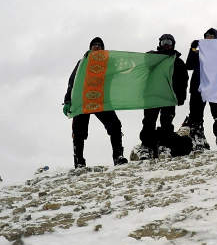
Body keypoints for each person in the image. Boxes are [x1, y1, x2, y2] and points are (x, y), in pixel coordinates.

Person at [63, 37, 128, 168]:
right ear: (90, 48)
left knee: (115, 125)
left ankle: (118, 156)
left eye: (99, 45)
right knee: (78, 131)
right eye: (94, 45)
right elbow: (73, 81)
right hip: (83, 100)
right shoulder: (82, 62)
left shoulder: (108, 63)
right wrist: (67, 101)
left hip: (101, 100)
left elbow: (118, 76)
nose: (96, 47)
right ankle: (79, 161)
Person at [136, 34, 189, 159]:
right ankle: (146, 146)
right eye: (163, 42)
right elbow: (144, 65)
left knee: (167, 121)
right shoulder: (153, 58)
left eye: (169, 42)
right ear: (159, 44)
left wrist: (181, 97)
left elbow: (183, 80)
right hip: (153, 95)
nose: (166, 44)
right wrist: (152, 56)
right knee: (149, 121)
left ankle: (165, 145)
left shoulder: (177, 61)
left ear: (173, 44)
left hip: (168, 96)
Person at [182, 28, 217, 151]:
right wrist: (192, 49)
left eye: (212, 36)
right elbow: (189, 65)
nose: (209, 38)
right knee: (196, 115)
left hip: (215, 88)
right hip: (198, 87)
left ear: (216, 38)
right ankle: (198, 140)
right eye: (207, 36)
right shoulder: (199, 53)